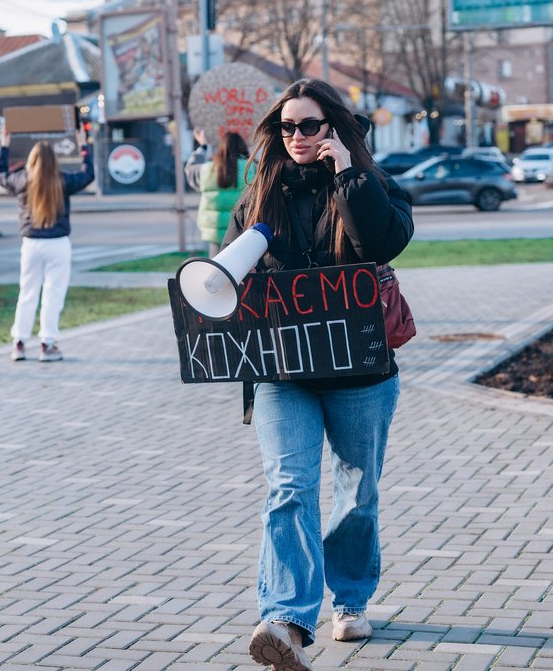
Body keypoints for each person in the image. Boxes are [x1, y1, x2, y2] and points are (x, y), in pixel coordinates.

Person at [223, 79, 413, 671]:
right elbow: (227, 272)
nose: (298, 137)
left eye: (310, 125)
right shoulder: (260, 197)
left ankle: (351, 601)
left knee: (357, 492)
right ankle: (285, 621)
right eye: (287, 127)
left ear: (334, 127)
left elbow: (382, 240)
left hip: (360, 369)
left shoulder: (370, 184)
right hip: (285, 370)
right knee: (289, 488)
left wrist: (349, 175)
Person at [0, 129, 94, 362]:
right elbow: (88, 174)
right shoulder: (63, 181)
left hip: (31, 245)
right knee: (53, 295)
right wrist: (83, 146)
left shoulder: (22, 180)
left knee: (27, 294)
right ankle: (47, 345)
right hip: (58, 244)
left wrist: (4, 145)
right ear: (54, 161)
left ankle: (18, 344)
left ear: (32, 160)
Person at [184, 128, 252, 256]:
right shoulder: (253, 169)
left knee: (217, 272)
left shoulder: (207, 170)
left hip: (216, 237)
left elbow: (190, 170)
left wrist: (203, 147)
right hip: (244, 234)